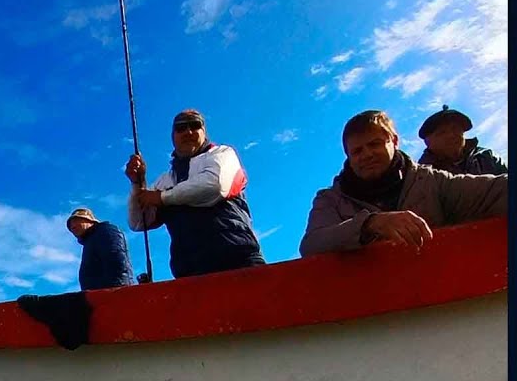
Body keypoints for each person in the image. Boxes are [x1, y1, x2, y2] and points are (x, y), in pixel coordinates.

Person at [299, 109, 508, 256]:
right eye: (357, 151)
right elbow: (312, 244)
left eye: (375, 144)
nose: (367, 154)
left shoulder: (431, 181)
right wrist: (370, 224)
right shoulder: (330, 199)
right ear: (348, 155)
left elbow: (496, 191)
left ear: (395, 141)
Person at [125, 109, 265, 278]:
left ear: (204, 131)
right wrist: (137, 184)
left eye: (194, 125)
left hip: (238, 259)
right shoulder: (165, 180)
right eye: (181, 128)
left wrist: (162, 198)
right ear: (173, 136)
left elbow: (215, 185)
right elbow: (138, 222)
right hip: (190, 272)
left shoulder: (223, 154)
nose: (188, 132)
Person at [417, 105, 507, 175]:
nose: (451, 135)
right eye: (442, 132)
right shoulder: (422, 174)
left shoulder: (486, 156)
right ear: (428, 142)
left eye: (455, 129)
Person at [66, 207, 133, 290]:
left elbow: (117, 261)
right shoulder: (90, 241)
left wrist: (117, 291)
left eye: (76, 221)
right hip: (96, 295)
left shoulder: (105, 231)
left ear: (90, 220)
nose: (73, 226)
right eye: (71, 226)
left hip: (110, 294)